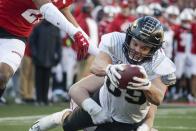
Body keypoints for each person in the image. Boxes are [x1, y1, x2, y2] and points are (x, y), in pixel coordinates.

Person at [29, 16, 176, 131]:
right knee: (69, 126)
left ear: (154, 49)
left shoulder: (161, 63)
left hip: (131, 115)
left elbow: (157, 99)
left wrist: (147, 86)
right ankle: (61, 117)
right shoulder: (115, 40)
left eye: (144, 48)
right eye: (135, 43)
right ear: (129, 37)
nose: (137, 50)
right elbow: (96, 66)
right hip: (104, 100)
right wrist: (109, 69)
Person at [0, 0, 99, 100]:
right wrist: (75, 34)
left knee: (3, 75)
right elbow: (46, 7)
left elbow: (77, 29)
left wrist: (102, 55)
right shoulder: (47, 6)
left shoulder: (62, 2)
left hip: (16, 36)